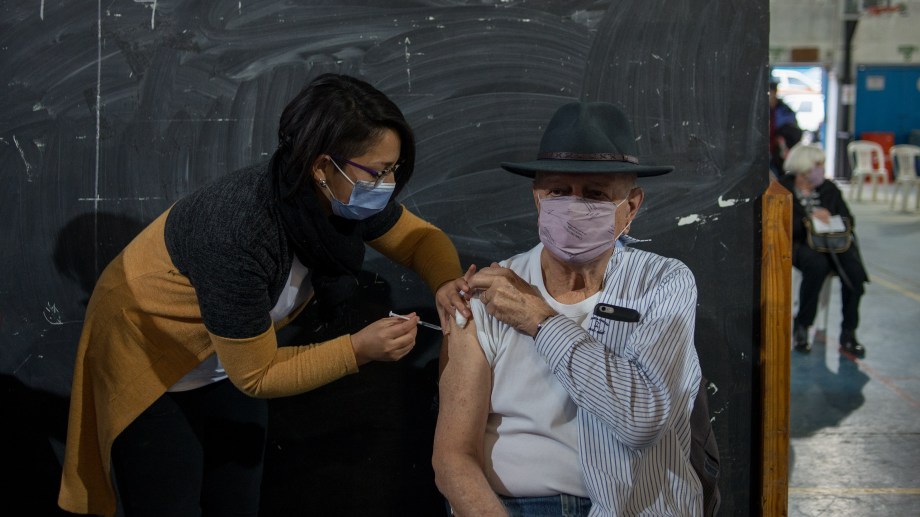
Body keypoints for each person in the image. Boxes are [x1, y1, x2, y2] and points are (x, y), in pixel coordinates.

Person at [58, 73, 471, 517]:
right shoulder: (238, 232)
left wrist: (445, 281)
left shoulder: (336, 197)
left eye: (393, 169)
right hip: (150, 358)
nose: (388, 184)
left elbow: (419, 240)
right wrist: (358, 350)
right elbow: (257, 375)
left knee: (237, 500)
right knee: (169, 502)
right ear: (322, 167)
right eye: (379, 171)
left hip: (229, 357)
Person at [432, 102, 703, 516]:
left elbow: (643, 419)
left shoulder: (662, 284)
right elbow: (452, 460)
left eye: (595, 194)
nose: (574, 207)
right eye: (559, 192)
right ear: (537, 199)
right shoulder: (488, 293)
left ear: (631, 207)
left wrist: (541, 320)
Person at [779, 143, 869, 357]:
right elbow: (784, 226)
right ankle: (803, 325)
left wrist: (831, 217)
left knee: (855, 275)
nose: (821, 169)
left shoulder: (829, 189)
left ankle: (849, 332)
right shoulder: (783, 189)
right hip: (801, 243)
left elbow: (849, 219)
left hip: (834, 243)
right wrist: (809, 219)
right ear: (803, 168)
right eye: (817, 165)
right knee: (816, 266)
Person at [769, 80, 803, 176]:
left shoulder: (785, 110)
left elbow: (792, 131)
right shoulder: (759, 110)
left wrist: (783, 142)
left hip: (779, 152)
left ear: (775, 93)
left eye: (770, 93)